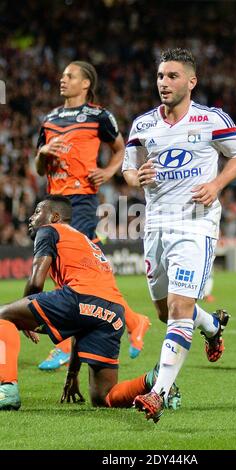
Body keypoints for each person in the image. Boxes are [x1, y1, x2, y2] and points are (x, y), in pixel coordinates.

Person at [122, 48, 236, 422]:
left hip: (196, 224)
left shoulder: (211, 119)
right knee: (165, 312)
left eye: (173, 76)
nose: (164, 82)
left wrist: (217, 183)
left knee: (180, 308)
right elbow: (128, 170)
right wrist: (136, 177)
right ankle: (212, 325)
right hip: (156, 226)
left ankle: (158, 393)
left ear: (191, 81)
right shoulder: (143, 125)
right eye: (161, 76)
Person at [0, 196, 179, 411]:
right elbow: (81, 319)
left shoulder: (48, 230)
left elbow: (37, 281)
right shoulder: (84, 241)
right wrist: (72, 373)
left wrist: (24, 312)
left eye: (37, 211)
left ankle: (6, 388)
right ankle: (153, 381)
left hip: (80, 298)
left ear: (55, 217)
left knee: (3, 315)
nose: (31, 217)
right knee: (103, 397)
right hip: (113, 312)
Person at [34, 61, 150, 369]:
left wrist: (108, 171)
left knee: (71, 269)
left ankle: (61, 344)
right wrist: (42, 155)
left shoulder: (99, 116)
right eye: (62, 75)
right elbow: (37, 167)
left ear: (86, 84)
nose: (63, 79)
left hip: (81, 200)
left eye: (70, 75)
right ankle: (134, 320)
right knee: (79, 272)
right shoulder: (50, 118)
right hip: (53, 201)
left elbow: (121, 148)